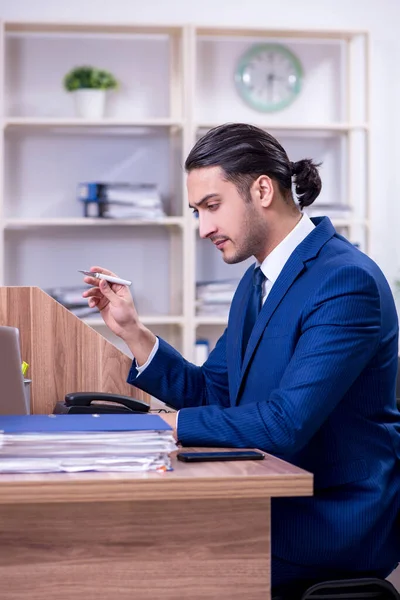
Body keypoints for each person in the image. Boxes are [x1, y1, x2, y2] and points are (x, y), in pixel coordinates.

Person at [82, 123, 400, 594]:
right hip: (271, 496)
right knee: (123, 543)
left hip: (329, 520)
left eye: (212, 206)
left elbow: (285, 424)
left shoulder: (344, 282)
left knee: (149, 559)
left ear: (263, 190)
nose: (203, 227)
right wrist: (134, 332)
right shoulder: (258, 282)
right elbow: (215, 391)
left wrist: (166, 426)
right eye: (197, 211)